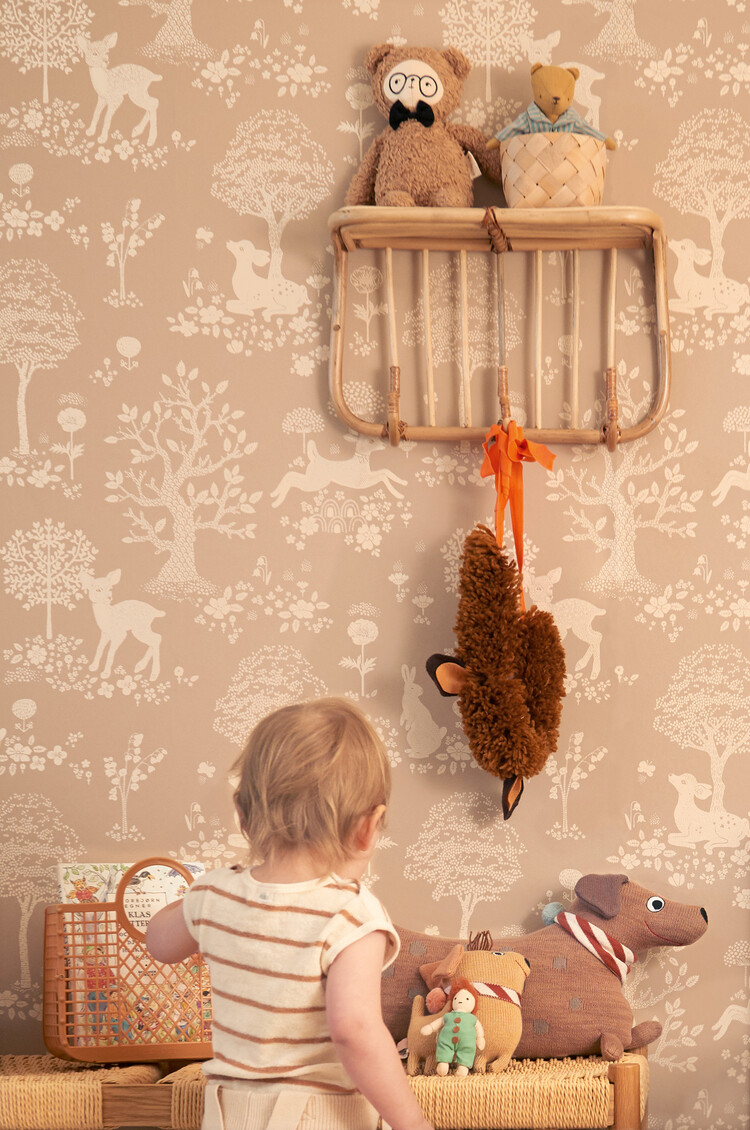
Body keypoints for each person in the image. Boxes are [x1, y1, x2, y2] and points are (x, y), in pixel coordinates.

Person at [146, 698, 433, 1130]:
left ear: (242, 815)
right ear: (368, 827)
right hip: (317, 1117)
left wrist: (204, 897)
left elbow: (158, 942)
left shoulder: (213, 894)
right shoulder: (350, 913)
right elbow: (354, 1030)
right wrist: (412, 1122)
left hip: (226, 1115)